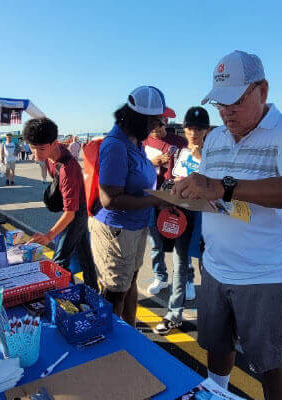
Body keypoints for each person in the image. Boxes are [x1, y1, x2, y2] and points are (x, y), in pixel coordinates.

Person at [173, 50, 282, 398]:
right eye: (220, 103)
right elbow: (207, 184)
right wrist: (186, 190)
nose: (225, 112)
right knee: (216, 346)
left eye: (234, 101)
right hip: (217, 266)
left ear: (262, 90)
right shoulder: (216, 138)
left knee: (269, 362)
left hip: (264, 273)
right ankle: (217, 393)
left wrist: (227, 187)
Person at [89, 86, 167, 326]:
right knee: (114, 292)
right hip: (117, 231)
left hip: (135, 227)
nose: (158, 126)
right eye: (155, 121)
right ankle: (111, 346)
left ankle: (130, 334)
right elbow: (109, 200)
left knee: (130, 281)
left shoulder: (136, 143)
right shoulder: (116, 145)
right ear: (140, 119)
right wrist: (155, 200)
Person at [152, 106, 210, 335]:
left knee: (209, 268)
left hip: (207, 219)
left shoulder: (214, 155)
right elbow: (172, 179)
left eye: (198, 129)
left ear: (206, 130)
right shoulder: (181, 153)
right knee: (179, 263)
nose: (193, 133)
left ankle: (210, 315)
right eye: (190, 128)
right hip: (183, 216)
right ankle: (174, 312)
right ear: (184, 129)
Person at [23, 118, 98, 290]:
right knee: (85, 256)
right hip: (73, 208)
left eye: (41, 149)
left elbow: (70, 214)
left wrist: (48, 236)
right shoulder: (51, 155)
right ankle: (93, 291)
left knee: (59, 261)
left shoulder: (68, 169)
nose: (37, 154)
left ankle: (66, 298)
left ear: (54, 143)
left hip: (77, 213)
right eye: (33, 148)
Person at [143, 110, 187, 296]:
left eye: (158, 126)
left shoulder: (180, 142)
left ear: (165, 123)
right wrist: (152, 162)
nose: (155, 131)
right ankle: (160, 277)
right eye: (151, 127)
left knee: (181, 242)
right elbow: (134, 167)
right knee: (155, 242)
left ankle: (184, 280)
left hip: (177, 197)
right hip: (152, 198)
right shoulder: (142, 143)